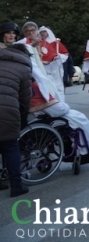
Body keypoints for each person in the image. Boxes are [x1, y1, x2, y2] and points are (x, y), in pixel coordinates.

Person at [0, 21, 32, 197]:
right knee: (11, 146)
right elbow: (25, 96)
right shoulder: (23, 66)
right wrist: (24, 114)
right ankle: (16, 185)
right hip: (8, 110)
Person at [37, 26, 68, 102]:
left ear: (48, 32)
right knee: (48, 86)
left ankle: (62, 103)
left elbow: (65, 53)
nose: (43, 34)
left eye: (44, 32)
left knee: (59, 86)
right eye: (41, 32)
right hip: (44, 67)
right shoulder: (38, 43)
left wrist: (58, 56)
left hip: (55, 66)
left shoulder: (56, 43)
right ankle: (53, 103)